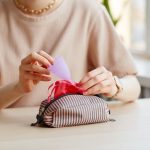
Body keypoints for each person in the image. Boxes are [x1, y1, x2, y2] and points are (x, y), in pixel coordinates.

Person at [0, 0, 141, 109]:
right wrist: (18, 88)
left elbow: (134, 87)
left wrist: (114, 85)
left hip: (71, 136)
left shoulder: (88, 12)